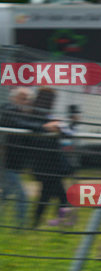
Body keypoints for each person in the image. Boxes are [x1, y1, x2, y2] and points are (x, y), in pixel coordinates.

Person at [28, 88, 75, 227]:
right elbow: (32, 127)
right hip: (44, 162)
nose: (53, 102)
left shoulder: (48, 115)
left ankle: (36, 223)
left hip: (51, 162)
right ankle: (59, 222)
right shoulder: (35, 113)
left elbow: (65, 131)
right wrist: (47, 127)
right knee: (60, 196)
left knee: (47, 195)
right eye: (51, 99)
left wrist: (58, 125)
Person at [0, 88, 34, 226]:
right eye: (22, 98)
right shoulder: (8, 110)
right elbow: (19, 124)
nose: (25, 102)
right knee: (21, 195)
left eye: (27, 99)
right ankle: (20, 227)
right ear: (13, 98)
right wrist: (43, 127)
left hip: (12, 164)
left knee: (5, 195)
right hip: (4, 163)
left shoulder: (22, 114)